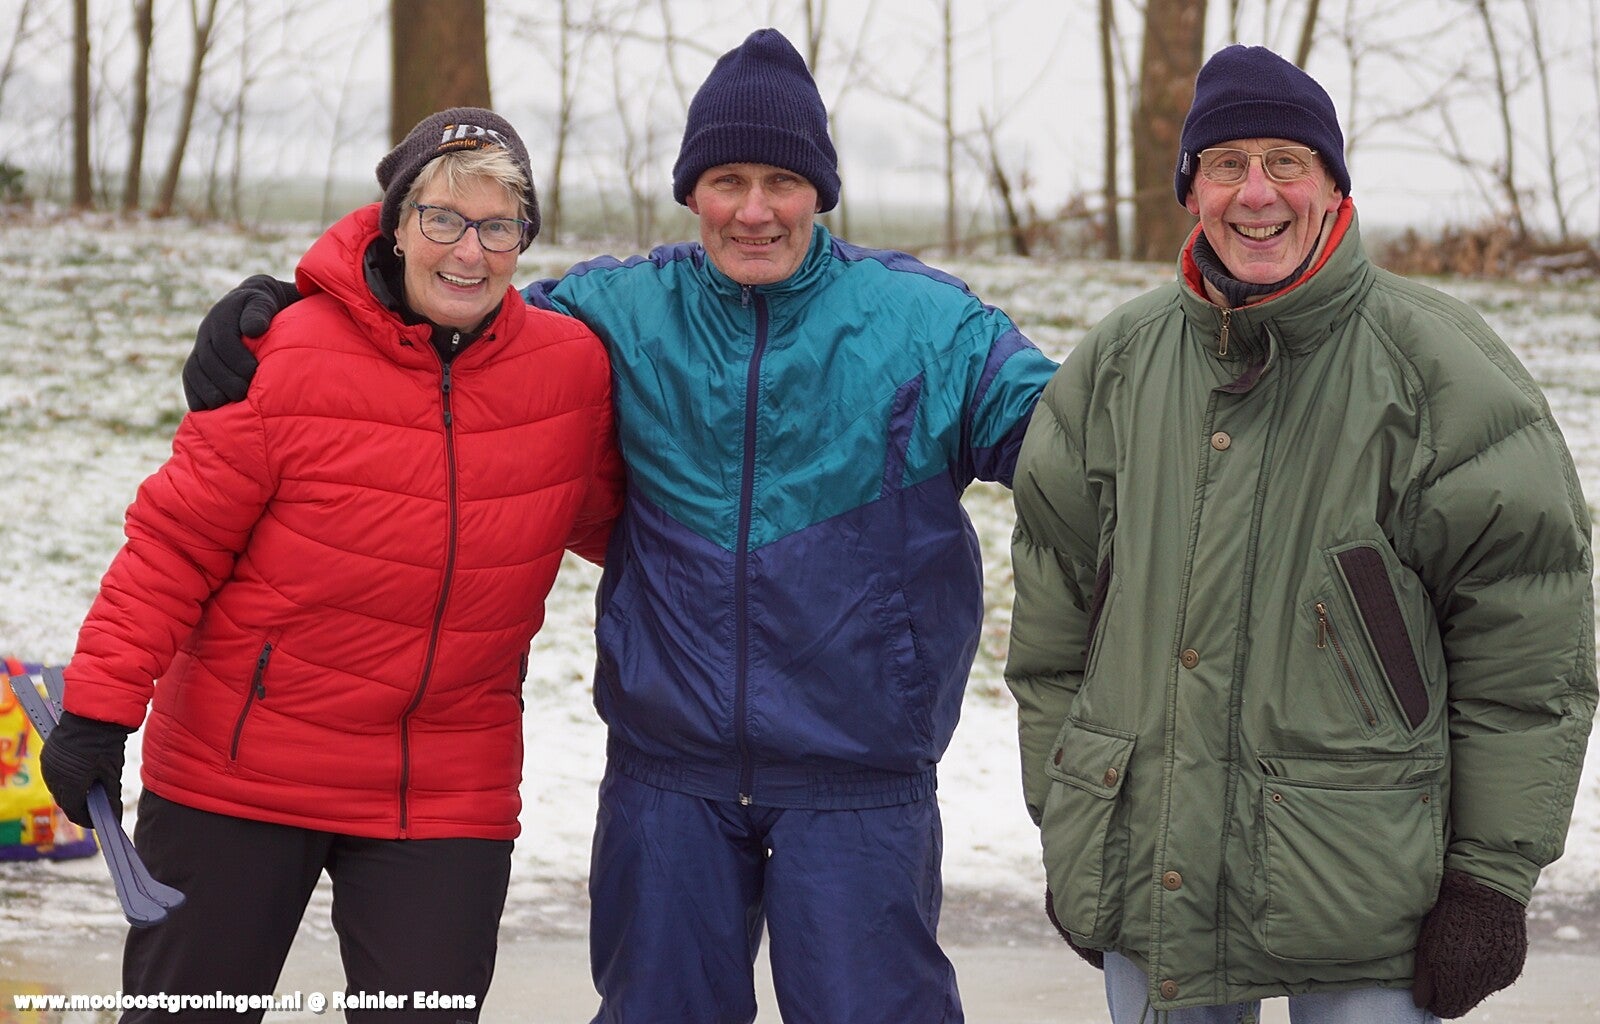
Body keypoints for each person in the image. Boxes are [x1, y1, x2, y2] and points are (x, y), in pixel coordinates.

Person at [182, 28, 1058, 1024]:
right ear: (692, 192)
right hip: (667, 778)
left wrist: (1176, 373)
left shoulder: (927, 326)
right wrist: (297, 306)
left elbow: (1073, 440)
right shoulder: (616, 311)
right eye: (728, 181)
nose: (755, 210)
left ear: (820, 191)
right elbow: (445, 307)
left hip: (858, 777)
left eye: (782, 181)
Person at [1004, 43, 1596, 1024]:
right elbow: (1054, 633)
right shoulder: (1112, 370)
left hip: (1366, 883)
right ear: (1191, 190)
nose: (1255, 193)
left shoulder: (1442, 375)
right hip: (1154, 866)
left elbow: (1526, 658)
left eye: (1286, 161)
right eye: (1225, 164)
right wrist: (1070, 825)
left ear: (1331, 185)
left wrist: (1490, 878)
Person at [41, 108, 623, 1022]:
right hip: (241, 767)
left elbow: (631, 530)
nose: (468, 252)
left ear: (525, 240)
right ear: (396, 225)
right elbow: (174, 545)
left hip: (444, 784)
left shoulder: (570, 373)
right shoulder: (287, 352)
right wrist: (98, 712)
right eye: (442, 219)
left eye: (498, 227)